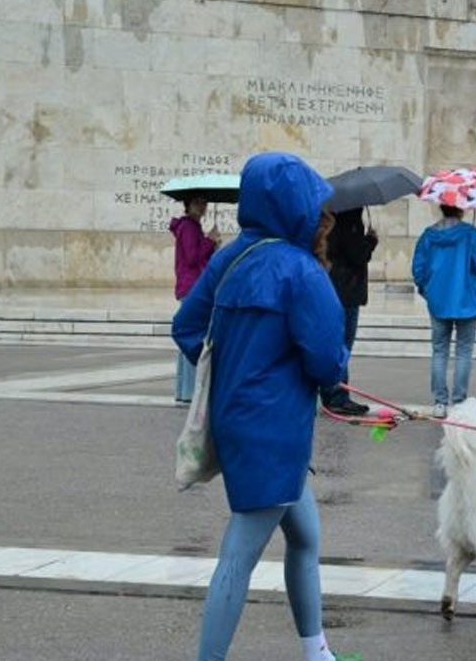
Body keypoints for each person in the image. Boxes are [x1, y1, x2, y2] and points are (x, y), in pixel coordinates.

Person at [172, 152, 352, 661]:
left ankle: (316, 651)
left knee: (305, 536)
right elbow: (324, 356)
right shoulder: (300, 270)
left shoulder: (229, 257)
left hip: (238, 420)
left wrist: (233, 365)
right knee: (238, 557)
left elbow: (186, 327)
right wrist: (332, 379)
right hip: (277, 428)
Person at [412, 204, 476, 418]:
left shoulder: (429, 235)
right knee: (464, 351)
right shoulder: (471, 233)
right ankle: (459, 402)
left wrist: (426, 289)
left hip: (438, 299)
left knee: (439, 351)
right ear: (461, 210)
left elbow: (418, 268)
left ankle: (439, 402)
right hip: (467, 299)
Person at [320, 208, 378, 416]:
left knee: (336, 343)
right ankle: (337, 396)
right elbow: (357, 255)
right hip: (347, 292)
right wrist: (371, 240)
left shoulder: (330, 223)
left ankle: (331, 392)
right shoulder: (351, 224)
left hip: (332, 288)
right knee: (343, 345)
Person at [170, 196, 220, 403]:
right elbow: (192, 258)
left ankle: (185, 391)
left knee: (188, 339)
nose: (202, 207)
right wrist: (209, 241)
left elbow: (198, 259)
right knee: (192, 339)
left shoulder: (192, 227)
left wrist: (211, 244)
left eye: (204, 203)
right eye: (197, 203)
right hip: (192, 287)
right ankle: (189, 391)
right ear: (188, 204)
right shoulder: (189, 227)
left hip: (190, 285)